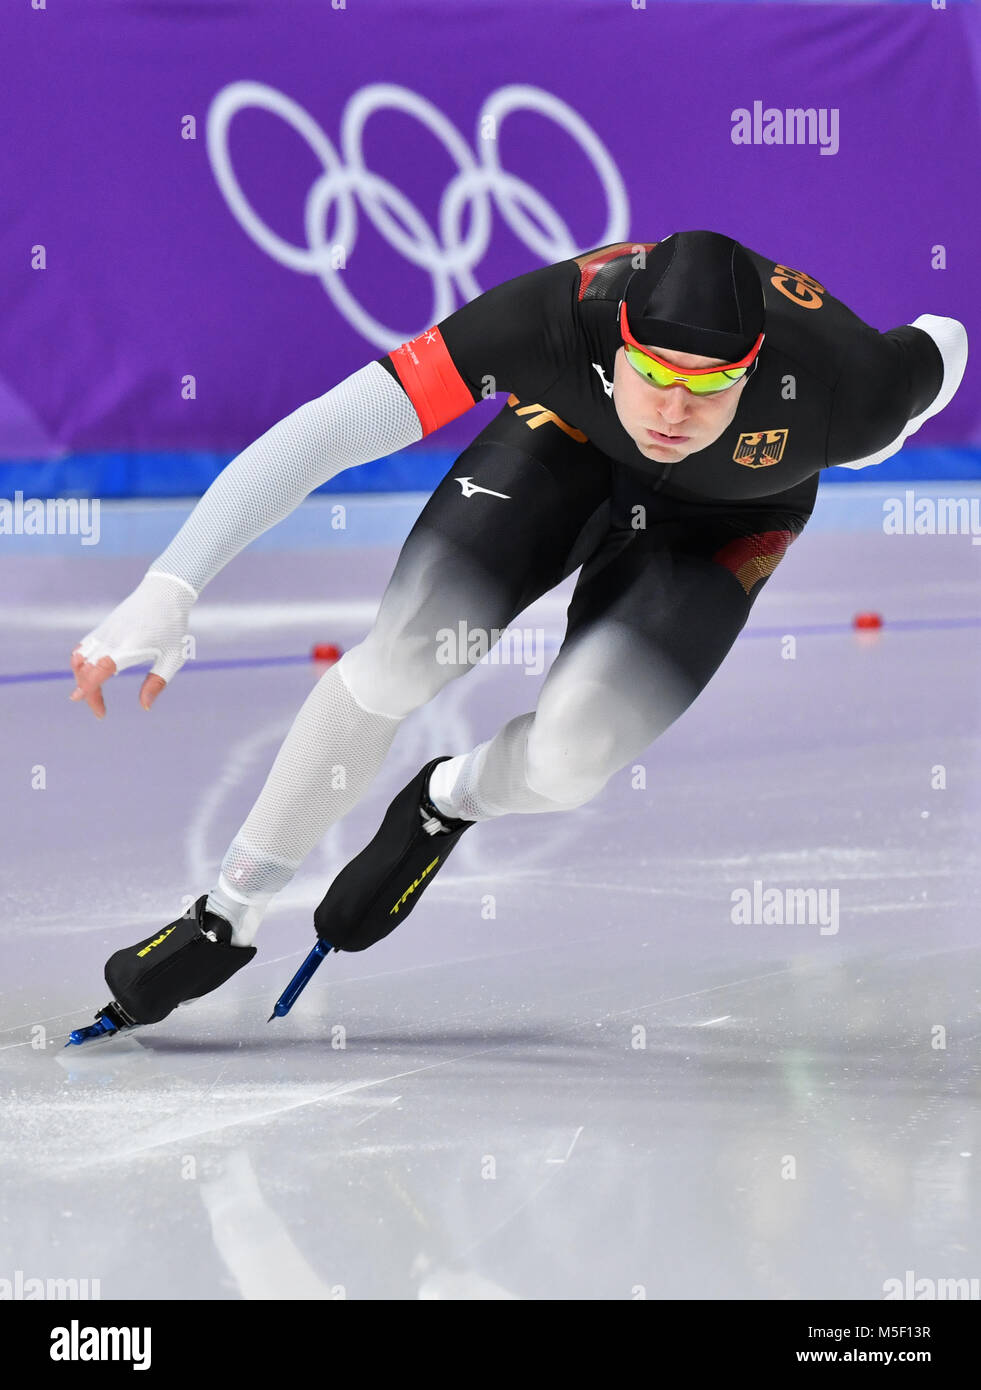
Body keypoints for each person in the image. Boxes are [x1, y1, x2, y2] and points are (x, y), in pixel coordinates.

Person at [67, 230, 968, 1041]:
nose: (670, 414)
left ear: (755, 369)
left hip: (729, 517)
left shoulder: (852, 389)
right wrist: (169, 586)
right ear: (616, 340)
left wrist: (899, 428)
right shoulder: (550, 317)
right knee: (408, 651)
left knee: (573, 759)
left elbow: (947, 339)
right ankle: (228, 911)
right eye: (653, 374)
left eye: (707, 391)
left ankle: (446, 800)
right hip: (566, 439)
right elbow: (327, 434)